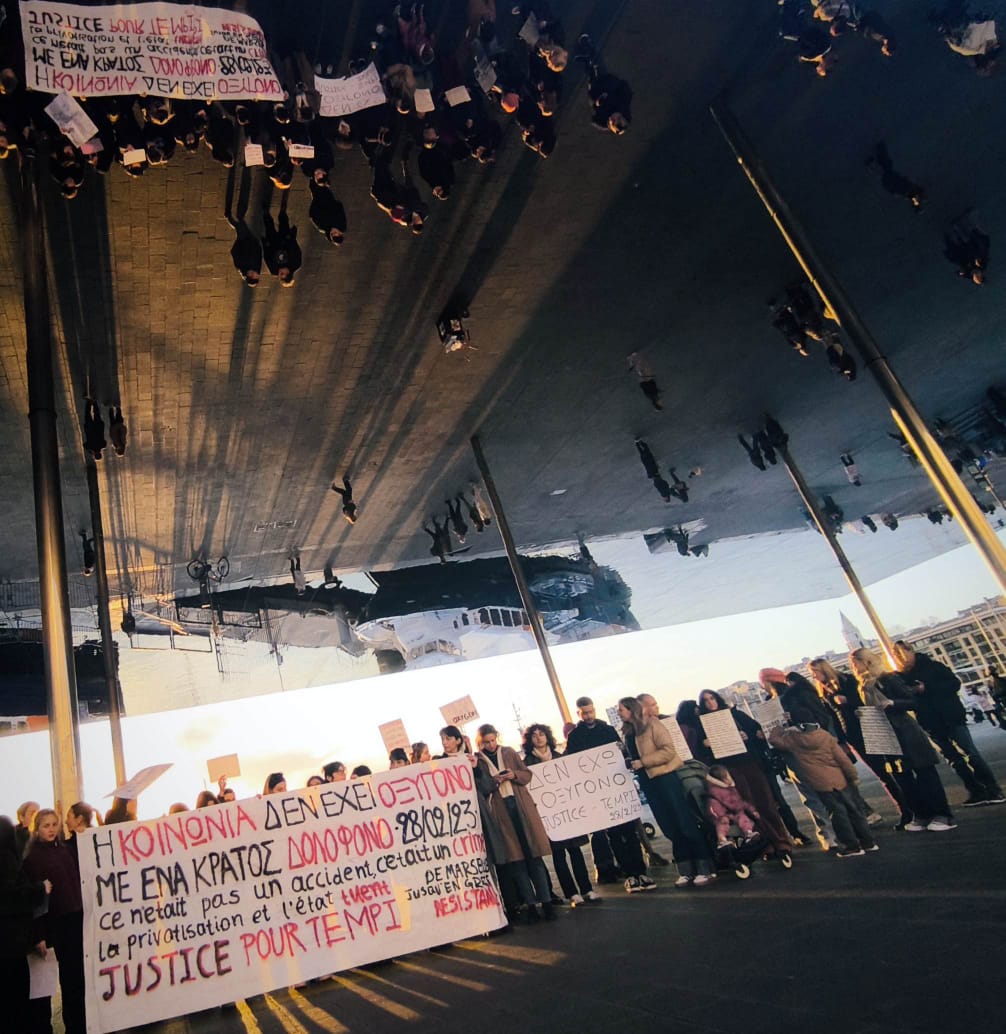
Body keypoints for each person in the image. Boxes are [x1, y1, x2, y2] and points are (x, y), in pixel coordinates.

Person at [850, 648, 956, 831]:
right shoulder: (863, 684)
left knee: (924, 772)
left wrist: (893, 703)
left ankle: (942, 814)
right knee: (902, 776)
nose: (853, 667)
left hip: (904, 730)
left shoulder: (887, 678)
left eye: (855, 662)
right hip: (884, 731)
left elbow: (913, 701)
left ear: (866, 662)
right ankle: (921, 814)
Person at [619, 697, 715, 888]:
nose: (619, 713)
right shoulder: (629, 733)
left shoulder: (653, 725)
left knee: (683, 821)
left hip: (665, 777)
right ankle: (685, 869)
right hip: (648, 781)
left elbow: (669, 750)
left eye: (621, 709)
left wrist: (643, 762)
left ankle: (704, 866)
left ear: (631, 709)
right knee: (668, 825)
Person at [893, 641, 1003, 806]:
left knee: (970, 754)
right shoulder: (900, 677)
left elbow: (954, 684)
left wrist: (927, 688)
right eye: (896, 656)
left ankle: (993, 790)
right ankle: (976, 791)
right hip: (929, 722)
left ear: (911, 651)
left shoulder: (934, 666)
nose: (900, 659)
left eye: (901, 654)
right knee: (953, 759)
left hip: (950, 715)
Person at [565, 697, 653, 890]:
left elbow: (622, 753)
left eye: (591, 711)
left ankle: (641, 872)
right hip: (599, 792)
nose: (589, 716)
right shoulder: (575, 736)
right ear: (579, 713)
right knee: (614, 835)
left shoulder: (607, 729)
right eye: (585, 713)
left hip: (617, 787)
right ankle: (629, 874)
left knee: (630, 832)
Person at [697, 690, 793, 863]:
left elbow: (758, 732)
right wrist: (705, 744)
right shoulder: (703, 725)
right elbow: (701, 752)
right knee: (748, 807)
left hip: (750, 763)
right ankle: (765, 846)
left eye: (712, 698)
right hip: (729, 769)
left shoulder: (735, 714)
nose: (710, 703)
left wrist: (748, 736)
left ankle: (781, 842)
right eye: (706, 701)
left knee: (766, 803)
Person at [475, 724, 555, 920]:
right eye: (486, 742)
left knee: (534, 856)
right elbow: (482, 788)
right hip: (500, 811)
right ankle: (531, 904)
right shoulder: (479, 760)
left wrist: (514, 775)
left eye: (492, 740)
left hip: (520, 806)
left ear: (497, 737)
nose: (490, 745)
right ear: (480, 742)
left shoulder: (509, 752)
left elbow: (527, 774)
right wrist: (494, 780)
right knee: (516, 860)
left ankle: (546, 902)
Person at [768, 723, 877, 858]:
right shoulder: (825, 736)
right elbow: (843, 759)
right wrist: (853, 777)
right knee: (854, 811)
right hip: (840, 779)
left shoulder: (794, 740)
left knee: (838, 815)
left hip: (821, 783)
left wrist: (777, 728)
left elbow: (774, 740)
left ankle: (852, 846)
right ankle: (868, 842)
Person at [22, 809, 86, 1034]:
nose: (51, 829)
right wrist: (38, 933)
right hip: (55, 924)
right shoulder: (32, 859)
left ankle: (79, 1026)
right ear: (37, 828)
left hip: (76, 918)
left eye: (54, 824)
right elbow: (35, 901)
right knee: (57, 982)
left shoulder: (65, 850)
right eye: (45, 825)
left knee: (77, 978)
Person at [522, 723, 599, 906]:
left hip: (568, 814)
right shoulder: (527, 764)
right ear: (530, 740)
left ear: (548, 736)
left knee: (576, 851)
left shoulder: (560, 758)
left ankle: (586, 888)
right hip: (549, 817)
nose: (539, 738)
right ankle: (571, 893)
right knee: (558, 855)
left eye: (541, 734)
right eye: (534, 735)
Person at [0, 816, 51, 1033]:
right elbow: (10, 896)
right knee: (17, 998)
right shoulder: (7, 861)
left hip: (8, 944)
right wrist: (39, 888)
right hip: (12, 944)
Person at [705, 766, 760, 847]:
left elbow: (740, 802)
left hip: (735, 812)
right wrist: (720, 816)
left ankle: (748, 832)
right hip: (723, 814)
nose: (730, 778)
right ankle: (721, 839)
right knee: (722, 823)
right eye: (728, 777)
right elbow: (715, 806)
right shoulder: (714, 792)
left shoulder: (731, 789)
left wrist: (752, 810)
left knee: (742, 817)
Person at [261, 208, 302, 287]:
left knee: (269, 226)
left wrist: (266, 246)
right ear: (288, 272)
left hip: (273, 243)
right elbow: (296, 251)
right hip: (285, 240)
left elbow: (267, 258)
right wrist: (291, 240)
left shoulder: (273, 270)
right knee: (284, 224)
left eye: (279, 275)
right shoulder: (296, 264)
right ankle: (282, 211)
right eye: (282, 273)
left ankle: (266, 212)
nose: (279, 272)